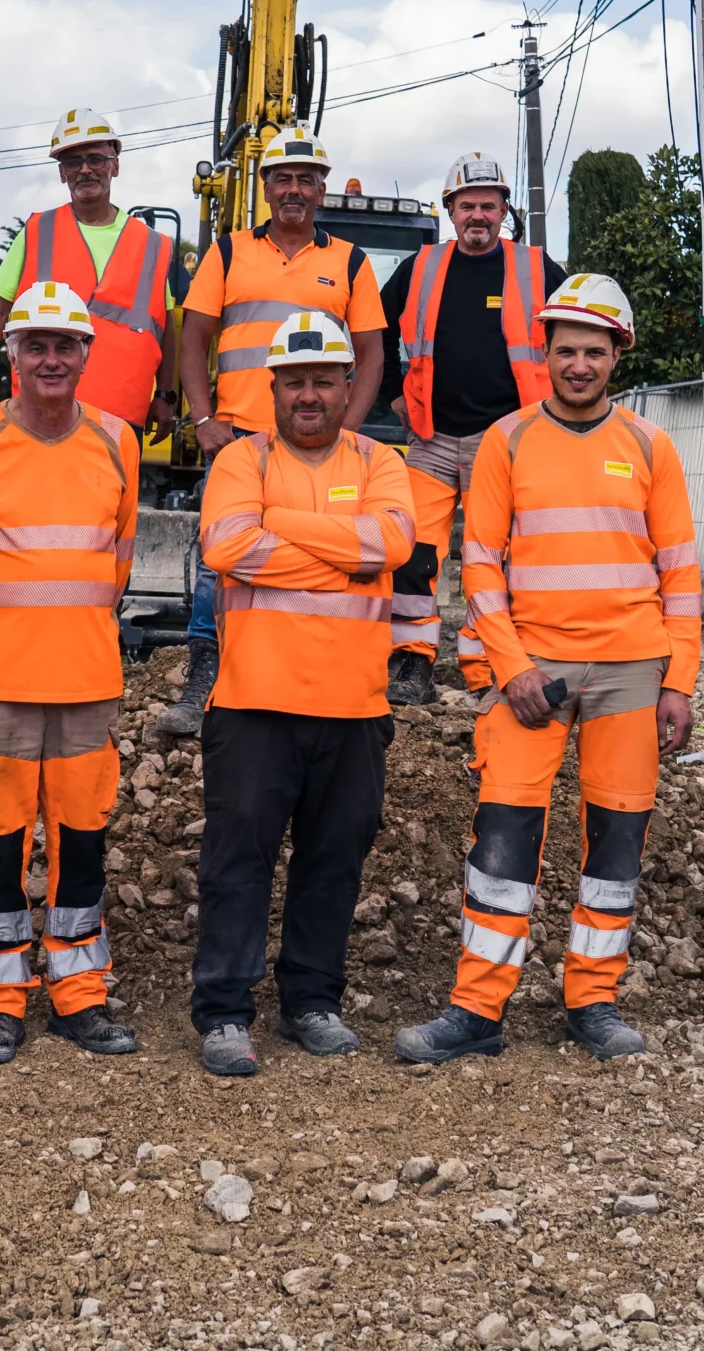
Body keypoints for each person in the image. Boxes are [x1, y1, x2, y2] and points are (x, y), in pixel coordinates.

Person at [395, 275, 700, 1065]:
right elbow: (481, 563)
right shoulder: (507, 441)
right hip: (529, 672)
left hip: (631, 667)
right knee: (502, 832)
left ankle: (592, 1001)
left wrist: (679, 682)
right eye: (564, 349)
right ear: (546, 354)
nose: (577, 363)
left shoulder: (649, 447)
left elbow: (680, 573)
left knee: (617, 839)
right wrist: (511, 664)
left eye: (592, 350)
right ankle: (477, 1008)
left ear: (616, 355)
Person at [190, 311, 416, 1075]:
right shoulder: (239, 462)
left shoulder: (382, 460)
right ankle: (224, 1011)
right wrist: (340, 546)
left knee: (332, 862)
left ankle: (311, 1002)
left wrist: (280, 529)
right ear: (274, 387)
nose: (310, 395)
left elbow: (392, 545)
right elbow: (225, 545)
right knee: (237, 860)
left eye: (325, 379)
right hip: (255, 702)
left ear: (349, 385)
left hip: (354, 708)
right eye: (297, 381)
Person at [0, 283, 142, 1065]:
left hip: (86, 685)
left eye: (65, 345)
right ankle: (0, 1000)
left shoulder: (119, 442)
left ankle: (80, 996)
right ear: (9, 354)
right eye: (35, 345)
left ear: (87, 354)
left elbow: (115, 568)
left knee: (83, 845)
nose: (51, 358)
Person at [154, 127, 388, 736]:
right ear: (264, 187)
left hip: (319, 444)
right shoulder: (228, 253)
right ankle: (207, 676)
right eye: (282, 178)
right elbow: (195, 337)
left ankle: (313, 676)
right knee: (220, 563)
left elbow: (370, 353)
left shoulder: (351, 262)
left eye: (306, 179)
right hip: (240, 441)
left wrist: (352, 432)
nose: (294, 189)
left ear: (321, 188)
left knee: (322, 551)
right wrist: (204, 419)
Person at [377, 153, 565, 704]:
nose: (478, 215)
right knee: (414, 554)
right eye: (467, 206)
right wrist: (394, 393)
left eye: (488, 205)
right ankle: (411, 665)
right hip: (431, 439)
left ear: (504, 209)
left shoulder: (536, 268)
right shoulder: (420, 268)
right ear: (450, 211)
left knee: (493, 557)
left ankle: (486, 669)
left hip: (505, 442)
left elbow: (570, 334)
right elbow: (376, 330)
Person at [0, 105, 178, 432]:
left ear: (115, 165)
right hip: (42, 415)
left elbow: (168, 328)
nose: (86, 170)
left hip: (120, 418)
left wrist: (164, 395)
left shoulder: (153, 245)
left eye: (96, 159)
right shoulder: (38, 232)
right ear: (62, 173)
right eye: (73, 162)